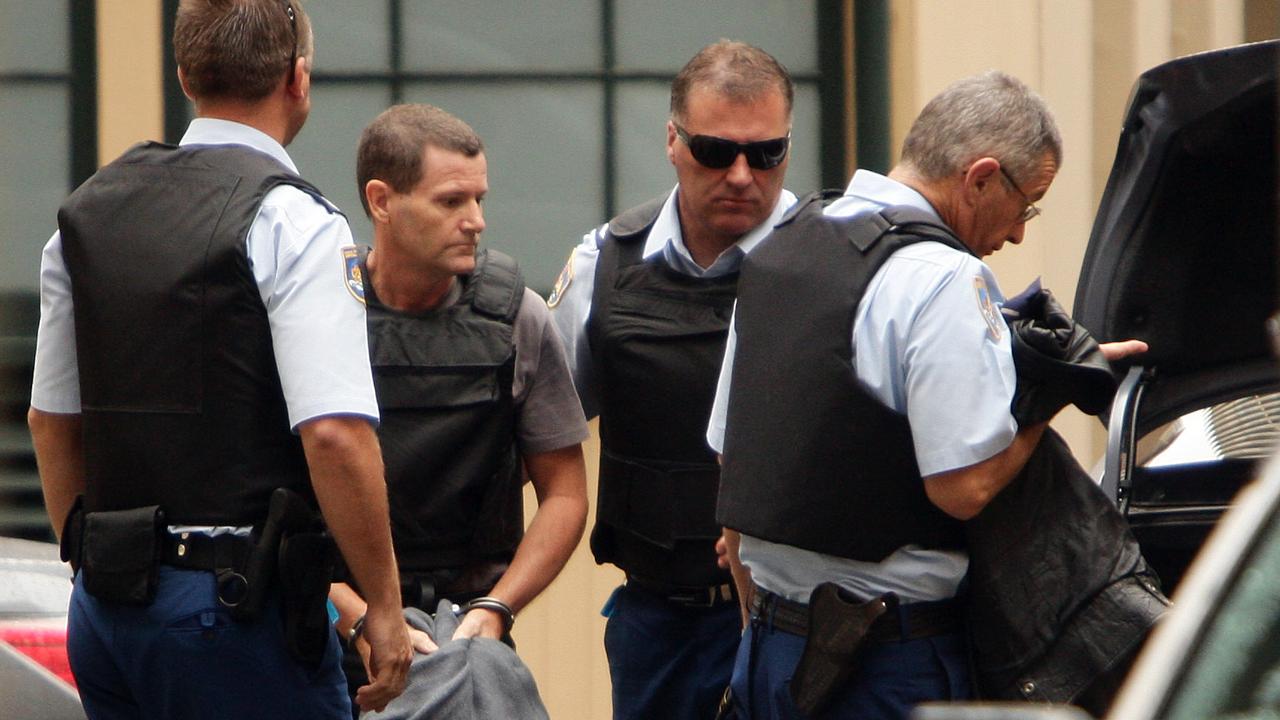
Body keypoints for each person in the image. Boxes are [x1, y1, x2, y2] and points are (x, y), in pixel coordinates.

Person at [706, 70, 1148, 719]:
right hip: (885, 660)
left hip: (769, 654)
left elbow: (732, 461)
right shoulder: (944, 278)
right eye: (1026, 204)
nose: (1020, 233)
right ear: (980, 178)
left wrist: (761, 628)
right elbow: (961, 487)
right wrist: (1047, 395)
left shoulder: (780, 250)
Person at [26, 1, 412, 717]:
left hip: (110, 608)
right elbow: (334, 433)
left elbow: (51, 422)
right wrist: (384, 608)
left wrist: (94, 569)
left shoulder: (84, 215)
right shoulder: (294, 221)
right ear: (297, 79)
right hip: (233, 610)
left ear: (184, 75)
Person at [548, 40, 797, 720]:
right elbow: (535, 432)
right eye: (717, 151)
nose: (743, 174)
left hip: (792, 626)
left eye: (767, 153)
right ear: (672, 140)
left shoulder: (833, 265)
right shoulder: (605, 263)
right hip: (654, 622)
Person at [329, 104, 589, 707]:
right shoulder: (320, 314)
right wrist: (360, 616)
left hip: (472, 627)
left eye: (480, 200)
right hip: (332, 636)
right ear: (381, 201)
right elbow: (272, 495)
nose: (475, 221)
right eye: (451, 201)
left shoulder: (516, 316)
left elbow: (567, 494)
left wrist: (497, 610)